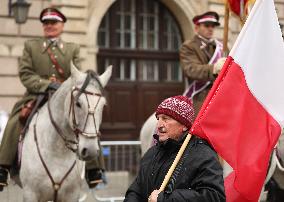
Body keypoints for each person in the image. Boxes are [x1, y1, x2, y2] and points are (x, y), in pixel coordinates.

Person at [0, 7, 105, 191]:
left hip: (65, 98)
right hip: (37, 95)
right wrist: (46, 85)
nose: (49, 26)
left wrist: (63, 87)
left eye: (53, 23)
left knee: (88, 120)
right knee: (15, 120)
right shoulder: (31, 46)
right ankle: (3, 167)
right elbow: (25, 74)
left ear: (62, 25)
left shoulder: (72, 48)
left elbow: (78, 76)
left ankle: (94, 169)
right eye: (46, 23)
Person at [124, 95, 225, 202]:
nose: (159, 125)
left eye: (166, 119)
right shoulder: (151, 153)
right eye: (158, 118)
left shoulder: (204, 156)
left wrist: (165, 199)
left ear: (184, 126)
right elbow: (136, 191)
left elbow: (214, 196)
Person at [180, 11, 226, 115]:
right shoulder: (189, 46)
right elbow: (191, 70)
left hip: (220, 96)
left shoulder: (221, 47)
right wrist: (214, 69)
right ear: (197, 28)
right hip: (199, 97)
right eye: (206, 25)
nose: (210, 29)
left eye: (213, 26)